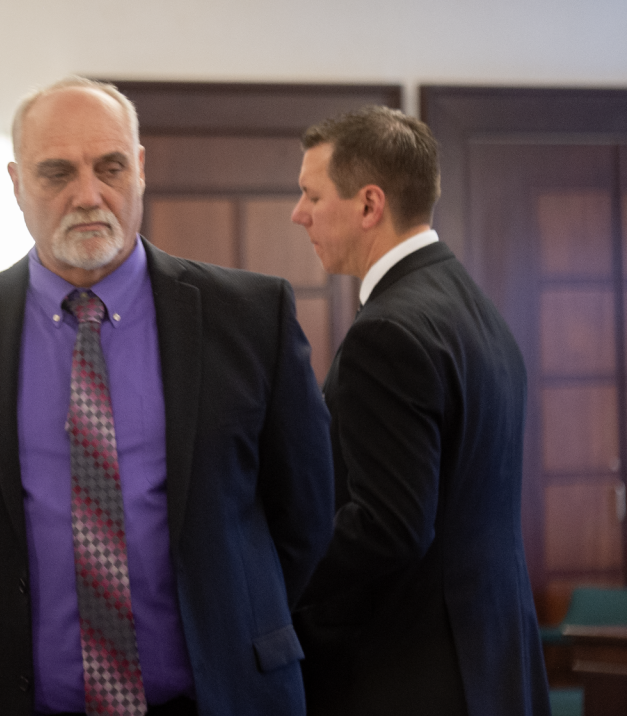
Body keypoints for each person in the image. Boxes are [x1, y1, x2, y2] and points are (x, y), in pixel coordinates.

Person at [0, 76, 334, 716]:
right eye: (57, 172)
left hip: (219, 698)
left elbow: (306, 516)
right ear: (15, 184)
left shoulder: (252, 318)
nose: (88, 195)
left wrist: (235, 623)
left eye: (109, 167)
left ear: (140, 169)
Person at [289, 106, 550, 716]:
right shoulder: (473, 307)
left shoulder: (389, 331)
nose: (299, 213)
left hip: (416, 675)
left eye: (311, 194)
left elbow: (391, 526)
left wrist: (272, 566)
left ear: (369, 205)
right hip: (493, 658)